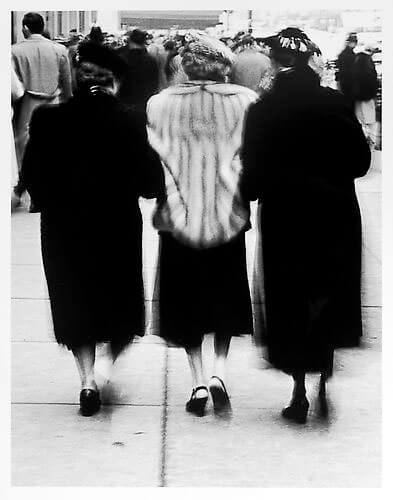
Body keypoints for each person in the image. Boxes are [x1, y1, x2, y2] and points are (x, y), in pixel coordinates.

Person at [20, 41, 164, 417]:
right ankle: (103, 368)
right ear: (112, 81)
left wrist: (53, 200)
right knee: (118, 299)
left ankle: (85, 378)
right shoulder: (129, 119)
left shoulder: (48, 120)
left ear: (77, 80)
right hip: (115, 223)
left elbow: (32, 175)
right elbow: (150, 181)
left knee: (74, 300)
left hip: (64, 225)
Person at [242, 27, 371, 424]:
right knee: (328, 289)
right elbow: (360, 163)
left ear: (277, 63)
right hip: (334, 212)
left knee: (289, 295)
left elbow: (253, 175)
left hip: (285, 214)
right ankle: (323, 374)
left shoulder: (263, 110)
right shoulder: (334, 102)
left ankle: (298, 386)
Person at [147, 33, 258, 417]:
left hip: (178, 218)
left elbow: (155, 159)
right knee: (225, 294)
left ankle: (196, 379)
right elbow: (252, 157)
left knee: (184, 303)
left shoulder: (158, 104)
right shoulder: (246, 101)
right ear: (223, 67)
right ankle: (220, 372)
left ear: (184, 66)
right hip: (227, 213)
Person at [12, 12, 72, 203]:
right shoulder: (60, 49)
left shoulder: (14, 51)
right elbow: (67, 81)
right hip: (54, 103)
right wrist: (68, 100)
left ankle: (29, 188)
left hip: (27, 105)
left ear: (25, 29)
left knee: (25, 147)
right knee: (53, 146)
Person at [116, 29, 159, 113]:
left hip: (123, 103)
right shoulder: (151, 60)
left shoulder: (120, 58)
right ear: (144, 42)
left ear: (130, 41)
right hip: (143, 104)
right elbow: (154, 84)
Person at [352, 44, 379, 149]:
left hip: (358, 97)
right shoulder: (368, 62)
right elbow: (372, 79)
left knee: (360, 121)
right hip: (367, 97)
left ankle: (363, 143)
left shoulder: (357, 60)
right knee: (370, 122)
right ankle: (370, 144)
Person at [335, 32, 358, 109]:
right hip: (349, 82)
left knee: (346, 102)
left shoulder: (343, 54)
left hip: (345, 82)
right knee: (350, 103)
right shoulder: (349, 55)